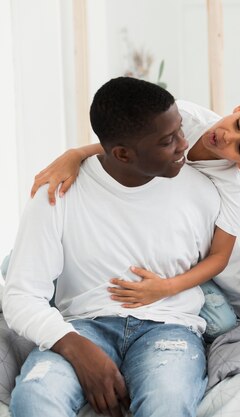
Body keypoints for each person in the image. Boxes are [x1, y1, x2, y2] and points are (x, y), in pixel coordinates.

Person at [3, 77, 222, 416]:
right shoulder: (59, 193)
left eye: (180, 130)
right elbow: (21, 295)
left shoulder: (203, 191)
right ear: (122, 153)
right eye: (168, 140)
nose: (184, 145)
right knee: (35, 398)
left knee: (167, 402)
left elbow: (229, 266)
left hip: (170, 330)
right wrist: (75, 347)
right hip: (82, 326)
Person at [29, 93, 240, 334]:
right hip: (165, 234)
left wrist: (168, 287)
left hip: (202, 252)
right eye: (238, 124)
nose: (226, 137)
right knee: (21, 265)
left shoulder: (231, 186)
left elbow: (221, 256)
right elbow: (128, 144)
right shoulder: (182, 115)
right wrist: (76, 154)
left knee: (231, 314)